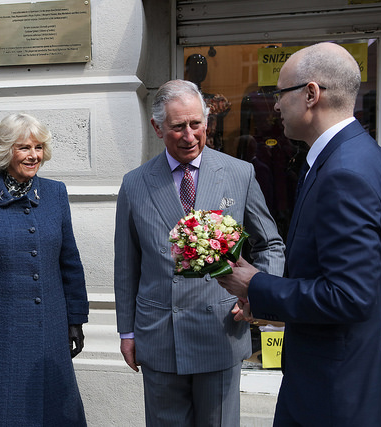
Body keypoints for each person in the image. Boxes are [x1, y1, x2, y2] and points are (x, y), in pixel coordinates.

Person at [217, 42, 381, 426]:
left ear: (311, 94)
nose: (274, 105)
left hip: (334, 390)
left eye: (280, 94)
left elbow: (349, 296)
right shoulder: (356, 156)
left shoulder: (345, 172)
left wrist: (254, 284)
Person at [114, 79, 285, 426]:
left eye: (196, 124)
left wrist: (258, 295)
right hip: (160, 334)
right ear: (157, 128)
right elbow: (126, 266)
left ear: (207, 122)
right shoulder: (135, 183)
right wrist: (127, 333)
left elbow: (271, 244)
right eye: (178, 127)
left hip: (219, 331)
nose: (189, 136)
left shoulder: (240, 173)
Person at [0, 113, 89, 426]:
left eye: (38, 147)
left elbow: (70, 261)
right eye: (24, 147)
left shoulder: (56, 193)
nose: (34, 155)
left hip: (50, 327)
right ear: (5, 151)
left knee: (50, 409)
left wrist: (77, 319)